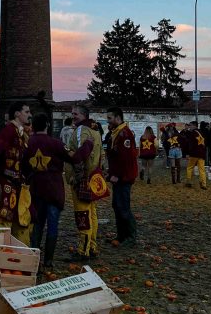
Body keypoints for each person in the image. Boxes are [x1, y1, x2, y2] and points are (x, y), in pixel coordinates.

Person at [23, 114, 73, 273]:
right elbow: (74, 158)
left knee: (37, 225)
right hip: (53, 190)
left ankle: (34, 261)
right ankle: (48, 262)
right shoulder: (56, 144)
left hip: (36, 190)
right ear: (47, 125)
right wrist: (87, 145)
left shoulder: (27, 143)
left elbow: (23, 167)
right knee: (52, 226)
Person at [0, 102, 33, 244]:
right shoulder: (9, 131)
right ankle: (1, 255)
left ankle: (21, 255)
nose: (29, 115)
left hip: (18, 184)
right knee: (3, 220)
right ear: (17, 113)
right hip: (6, 184)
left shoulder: (21, 133)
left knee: (20, 221)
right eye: (27, 111)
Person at [66, 103, 104, 259]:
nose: (73, 117)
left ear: (84, 116)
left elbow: (82, 153)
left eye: (76, 114)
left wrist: (77, 176)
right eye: (73, 114)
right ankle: (92, 246)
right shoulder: (96, 131)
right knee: (92, 213)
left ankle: (83, 250)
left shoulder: (82, 130)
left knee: (83, 214)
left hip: (82, 178)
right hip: (93, 177)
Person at [106, 108, 138, 246]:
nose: (108, 121)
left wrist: (117, 176)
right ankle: (121, 236)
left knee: (123, 207)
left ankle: (130, 237)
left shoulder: (124, 134)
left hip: (123, 178)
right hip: (118, 176)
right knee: (117, 206)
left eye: (109, 118)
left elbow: (125, 158)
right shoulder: (116, 133)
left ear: (117, 118)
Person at [183, 120, 208, 190]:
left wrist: (187, 153)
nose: (189, 127)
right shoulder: (202, 133)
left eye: (190, 125)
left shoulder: (192, 133)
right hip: (202, 154)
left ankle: (189, 182)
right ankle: (204, 184)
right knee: (202, 169)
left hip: (194, 154)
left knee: (190, 167)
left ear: (194, 125)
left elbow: (190, 144)